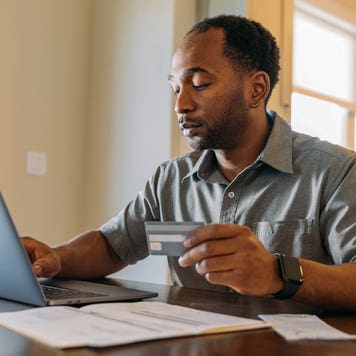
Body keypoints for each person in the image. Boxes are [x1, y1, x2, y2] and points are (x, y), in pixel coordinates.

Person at [22, 15, 356, 310]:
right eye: (175, 89)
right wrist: (56, 258)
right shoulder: (171, 180)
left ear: (256, 89)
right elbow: (113, 246)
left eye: (199, 84)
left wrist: (276, 273)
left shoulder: (335, 172)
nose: (181, 104)